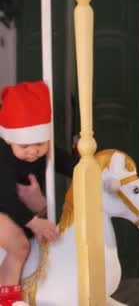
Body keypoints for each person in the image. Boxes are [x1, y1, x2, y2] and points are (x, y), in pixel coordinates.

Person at [0, 81, 78, 306]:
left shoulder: (45, 152)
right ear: (9, 139)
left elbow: (73, 165)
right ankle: (7, 301)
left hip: (20, 211)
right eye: (24, 147)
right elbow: (5, 198)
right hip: (3, 204)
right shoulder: (4, 156)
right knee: (19, 244)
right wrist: (34, 222)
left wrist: (93, 166)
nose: (33, 151)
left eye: (39, 144)